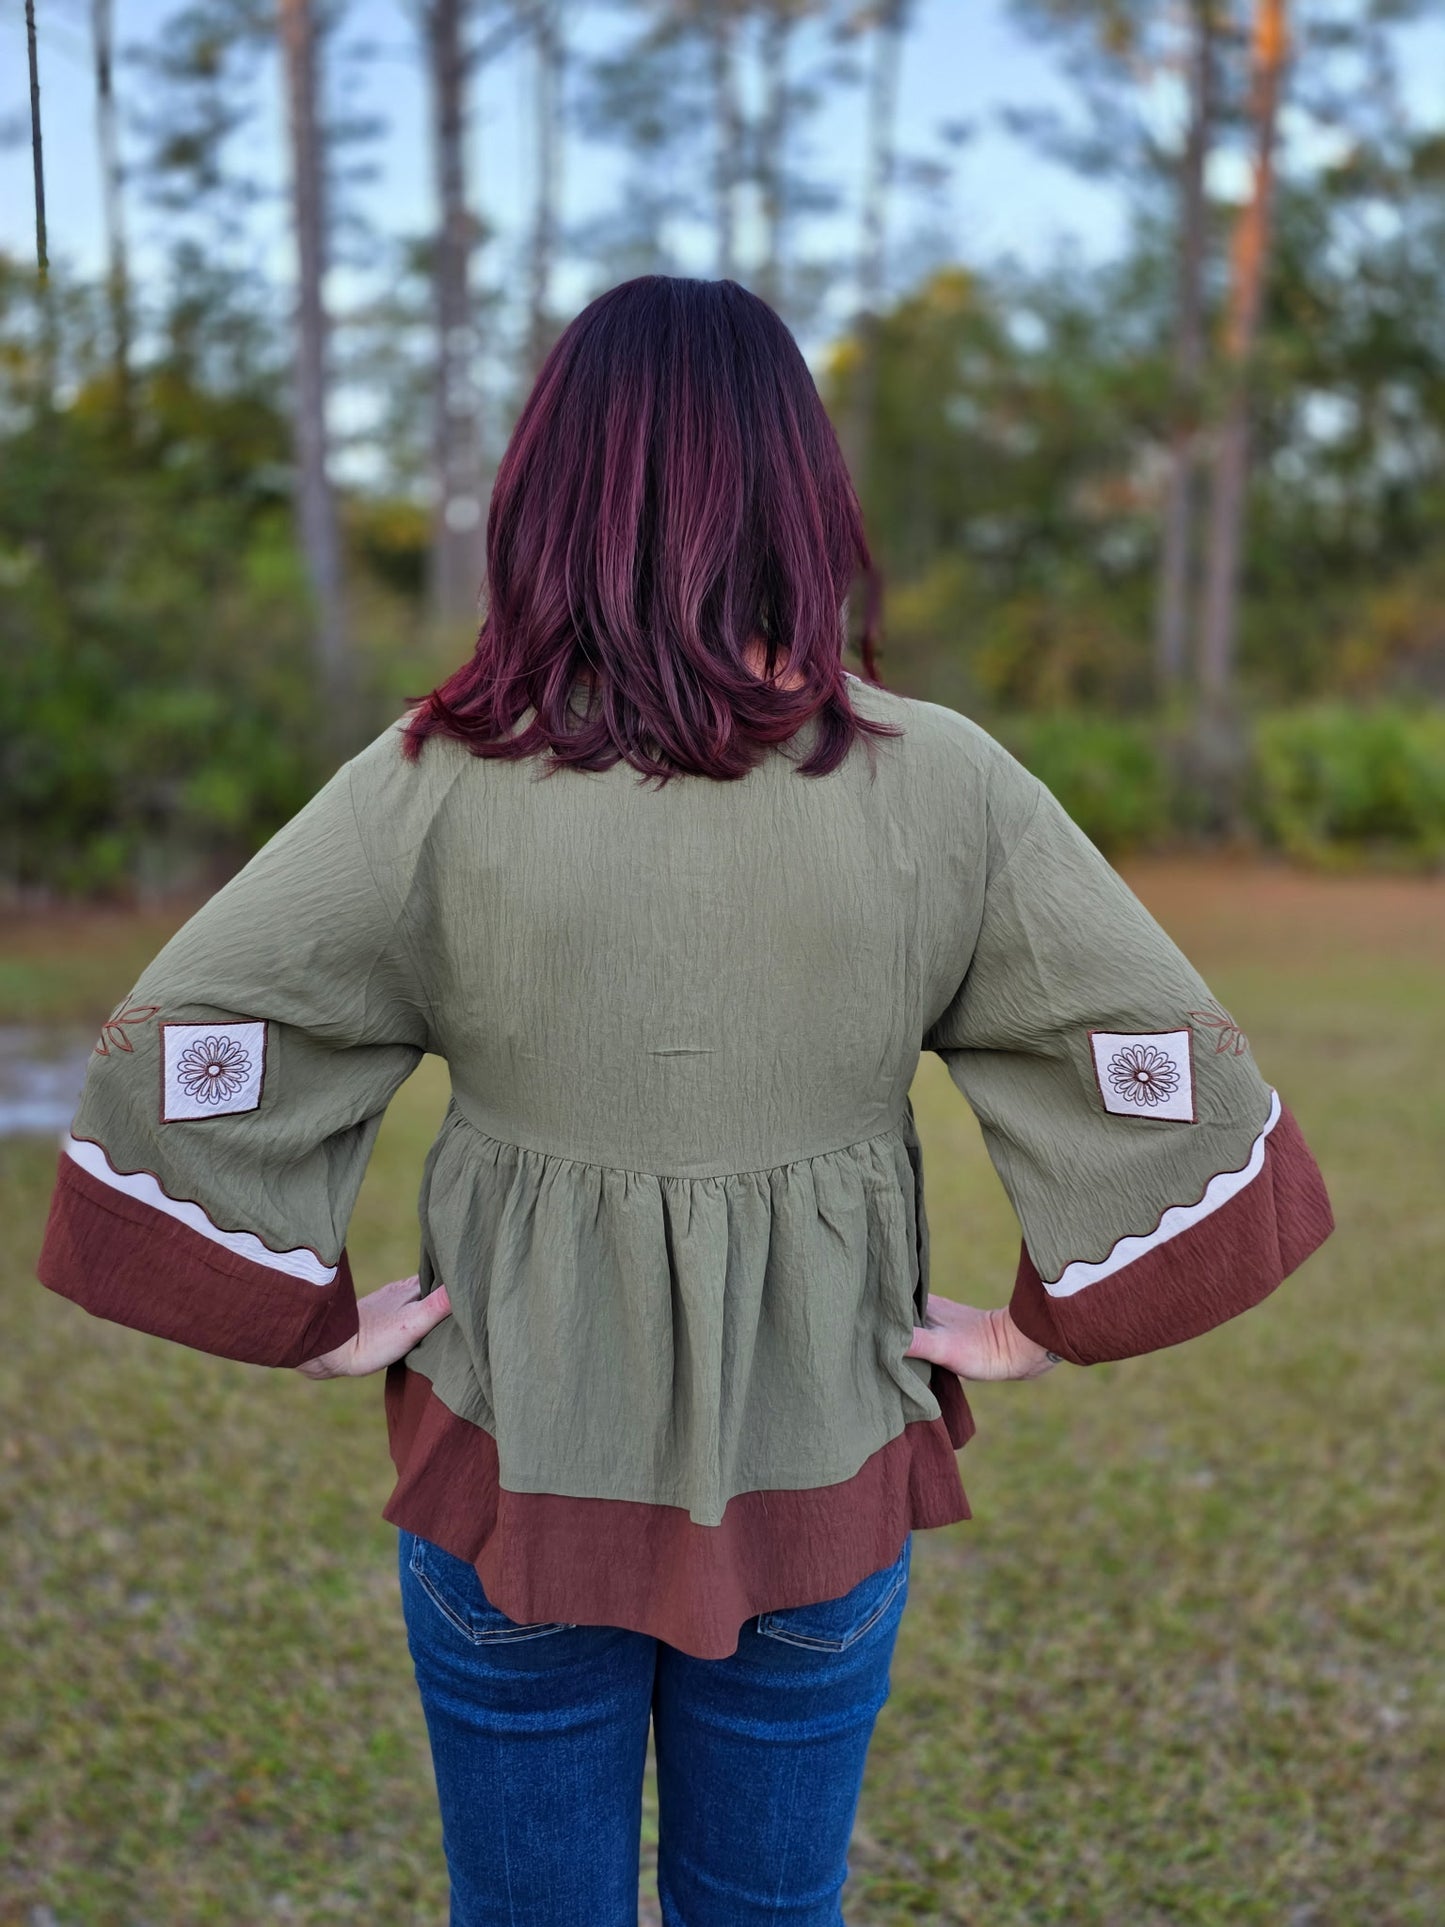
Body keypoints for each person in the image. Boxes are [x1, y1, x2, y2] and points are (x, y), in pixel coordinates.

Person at [37, 275, 1334, 1927]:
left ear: (541, 496)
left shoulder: (429, 780)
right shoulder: (939, 782)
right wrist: (1044, 1322)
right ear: (804, 497)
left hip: (514, 1450)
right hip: (824, 1453)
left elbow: (209, 1032)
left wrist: (299, 1307)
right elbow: (1147, 1056)